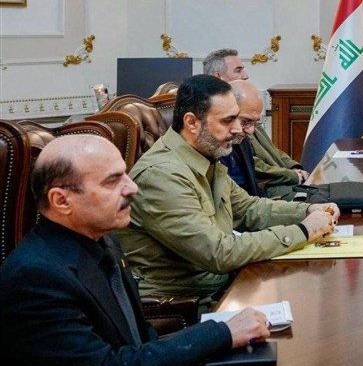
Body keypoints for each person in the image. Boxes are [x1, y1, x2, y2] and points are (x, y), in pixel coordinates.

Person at [0, 134, 271, 366]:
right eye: (112, 181)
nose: (132, 188)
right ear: (61, 201)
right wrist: (222, 333)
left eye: (126, 175)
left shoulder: (104, 240)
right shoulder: (35, 278)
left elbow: (139, 340)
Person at [117, 75, 340, 300]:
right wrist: (303, 231)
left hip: (221, 286)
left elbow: (248, 209)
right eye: (227, 121)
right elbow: (219, 252)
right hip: (186, 302)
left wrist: (307, 211)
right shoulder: (161, 175)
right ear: (192, 122)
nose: (237, 129)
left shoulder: (204, 155)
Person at [204, 48, 310, 198]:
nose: (245, 75)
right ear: (218, 77)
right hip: (270, 185)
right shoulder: (219, 128)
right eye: (238, 70)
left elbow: (273, 151)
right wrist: (291, 175)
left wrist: (293, 167)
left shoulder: (248, 111)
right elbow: (255, 169)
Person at [220, 80, 267, 197]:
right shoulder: (210, 148)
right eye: (245, 121)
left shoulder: (243, 143)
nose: (250, 131)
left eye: (255, 123)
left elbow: (253, 193)